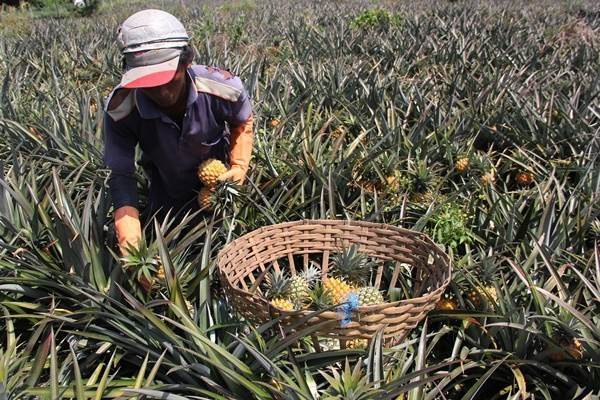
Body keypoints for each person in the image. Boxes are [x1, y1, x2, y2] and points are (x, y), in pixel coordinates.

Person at [103, 9, 253, 255]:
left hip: (220, 189)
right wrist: (130, 243)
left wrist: (238, 167)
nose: (162, 93)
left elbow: (243, 121)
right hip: (166, 194)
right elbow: (121, 176)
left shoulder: (222, 87)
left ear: (187, 61)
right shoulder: (121, 109)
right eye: (150, 84)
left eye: (169, 79)